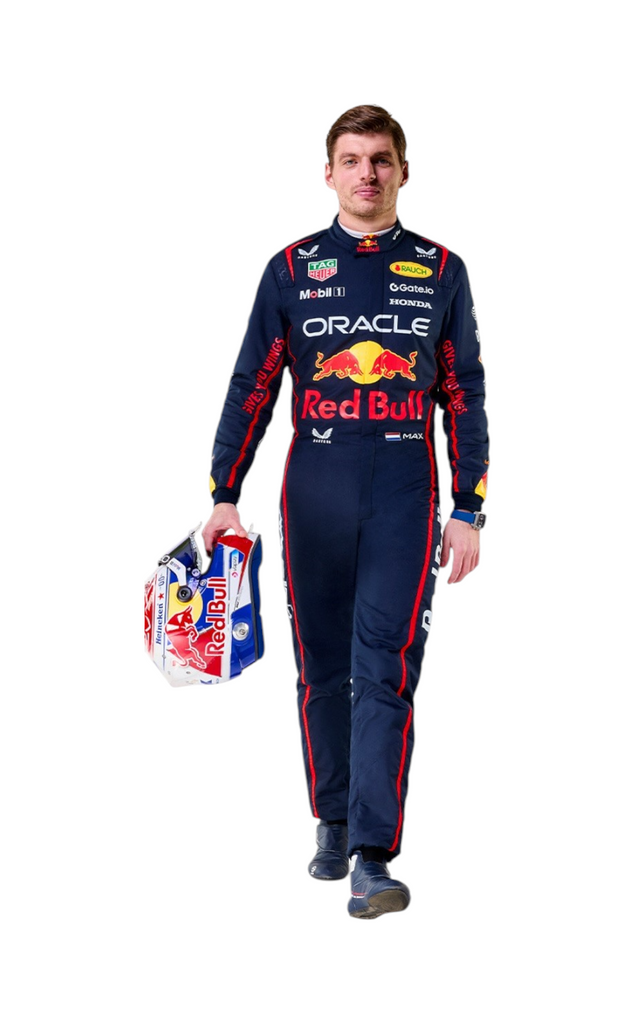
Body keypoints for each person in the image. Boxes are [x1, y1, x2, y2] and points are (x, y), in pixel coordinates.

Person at [202, 105, 489, 919]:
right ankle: (331, 820)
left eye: (382, 159)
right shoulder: (291, 269)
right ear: (328, 173)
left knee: (385, 668)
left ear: (404, 171)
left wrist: (469, 506)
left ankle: (371, 854)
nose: (368, 173)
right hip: (314, 487)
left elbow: (464, 392)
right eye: (353, 159)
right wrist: (224, 492)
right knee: (322, 668)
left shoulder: (441, 269)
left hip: (404, 487)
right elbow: (253, 383)